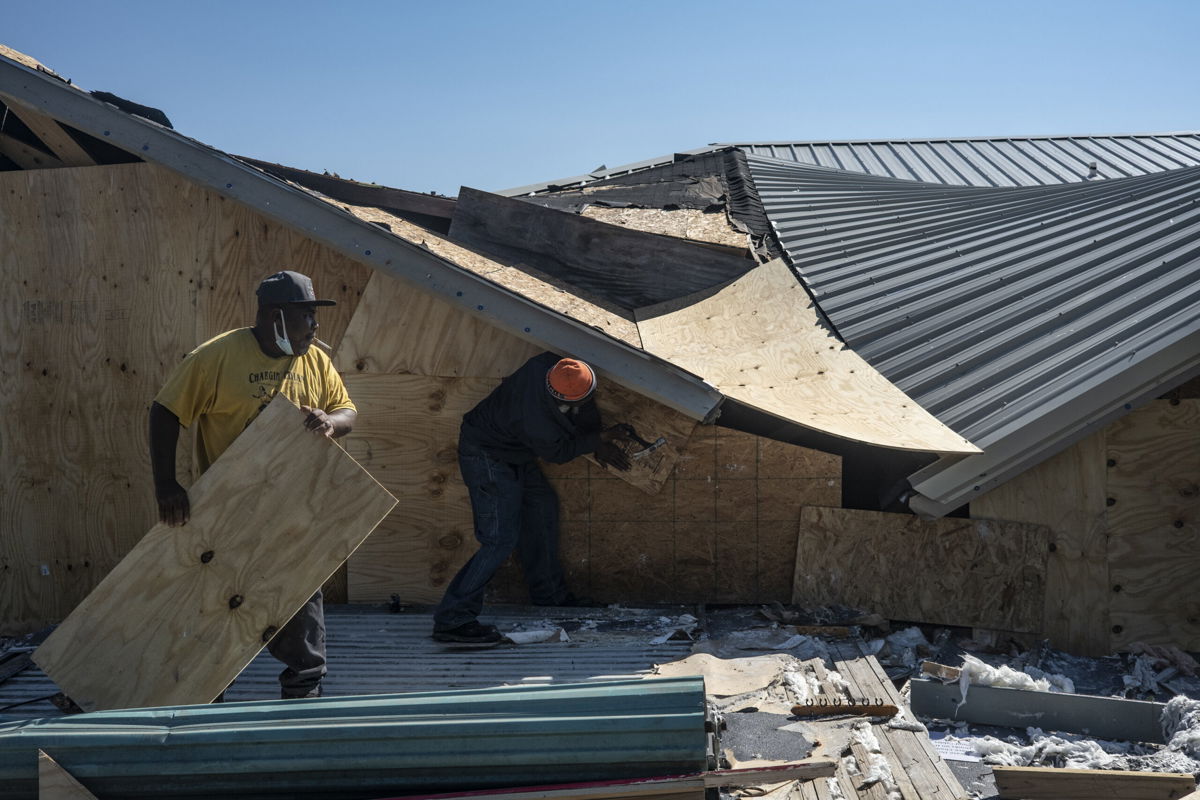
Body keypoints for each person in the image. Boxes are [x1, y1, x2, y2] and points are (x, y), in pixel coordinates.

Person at [148, 270, 357, 699]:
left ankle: (303, 687)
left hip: (293, 503)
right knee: (219, 599)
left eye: (315, 318)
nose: (315, 328)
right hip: (229, 505)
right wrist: (166, 484)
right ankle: (209, 688)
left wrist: (329, 422)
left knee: (300, 593)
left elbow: (347, 410)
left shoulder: (312, 359)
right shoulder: (217, 357)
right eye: (306, 317)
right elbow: (165, 412)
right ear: (273, 315)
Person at [432, 352, 632, 644]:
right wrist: (596, 441)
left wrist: (595, 438)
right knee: (499, 539)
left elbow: (583, 403)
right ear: (559, 399)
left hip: (512, 450)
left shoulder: (551, 366)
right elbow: (558, 453)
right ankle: (453, 618)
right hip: (487, 455)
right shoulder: (534, 419)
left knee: (541, 508)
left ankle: (549, 596)